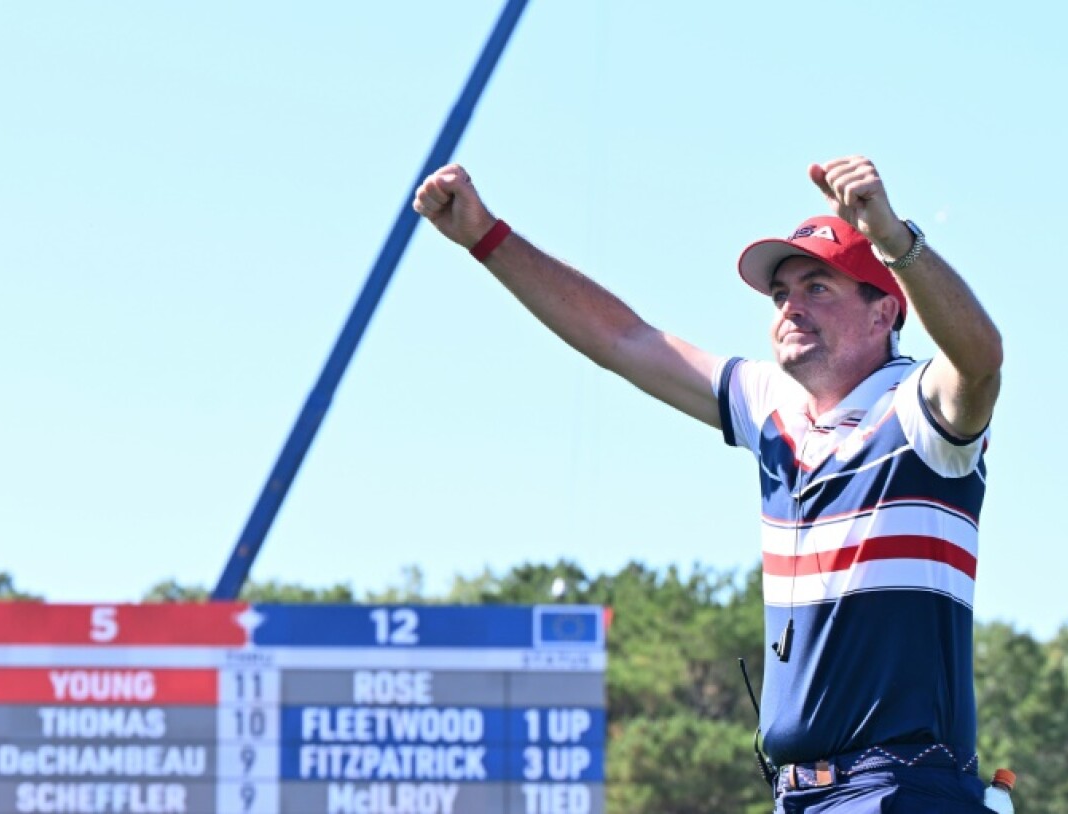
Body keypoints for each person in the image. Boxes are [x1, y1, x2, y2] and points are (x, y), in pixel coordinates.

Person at [414, 155, 1003, 813]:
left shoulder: (918, 407)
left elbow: (979, 362)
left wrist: (896, 240)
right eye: (781, 295)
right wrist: (487, 238)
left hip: (902, 790)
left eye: (818, 289)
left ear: (883, 312)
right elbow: (624, 338)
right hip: (801, 797)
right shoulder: (773, 407)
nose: (789, 309)